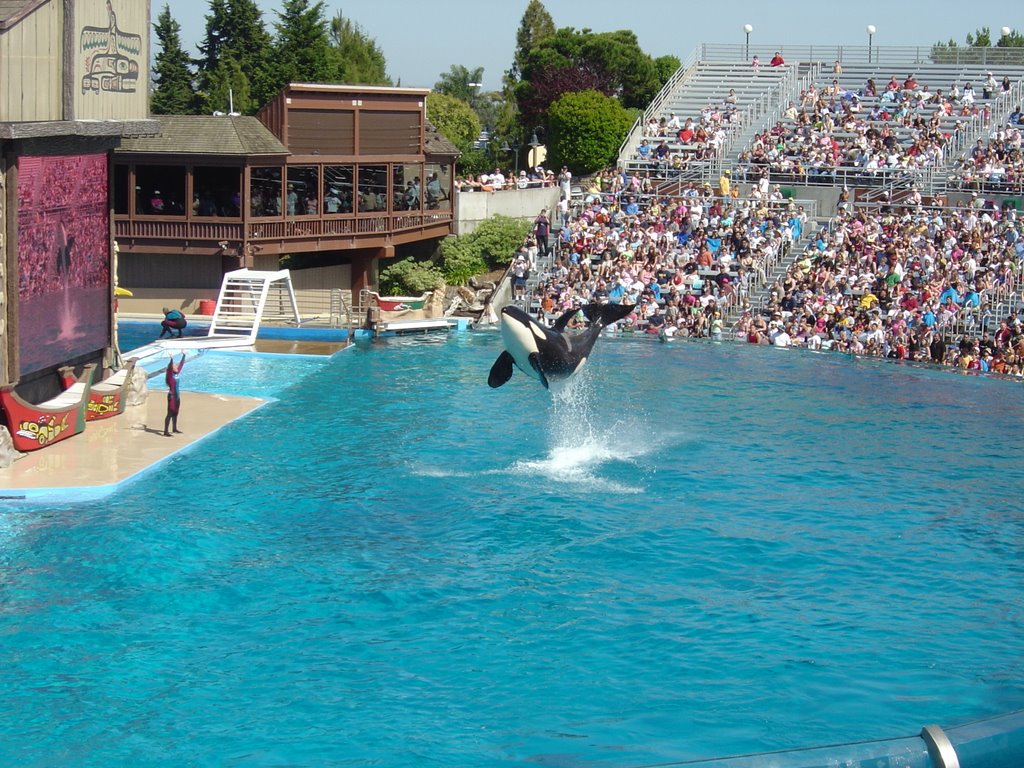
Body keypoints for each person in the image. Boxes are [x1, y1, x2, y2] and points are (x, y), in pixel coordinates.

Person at [164, 353, 185, 436]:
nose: (176, 367)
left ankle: (174, 428)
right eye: (174, 366)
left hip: (177, 396)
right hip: (172, 396)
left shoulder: (176, 374)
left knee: (176, 412)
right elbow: (169, 368)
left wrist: (184, 356)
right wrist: (171, 359)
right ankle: (166, 431)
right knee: (170, 413)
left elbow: (181, 365)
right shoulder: (170, 376)